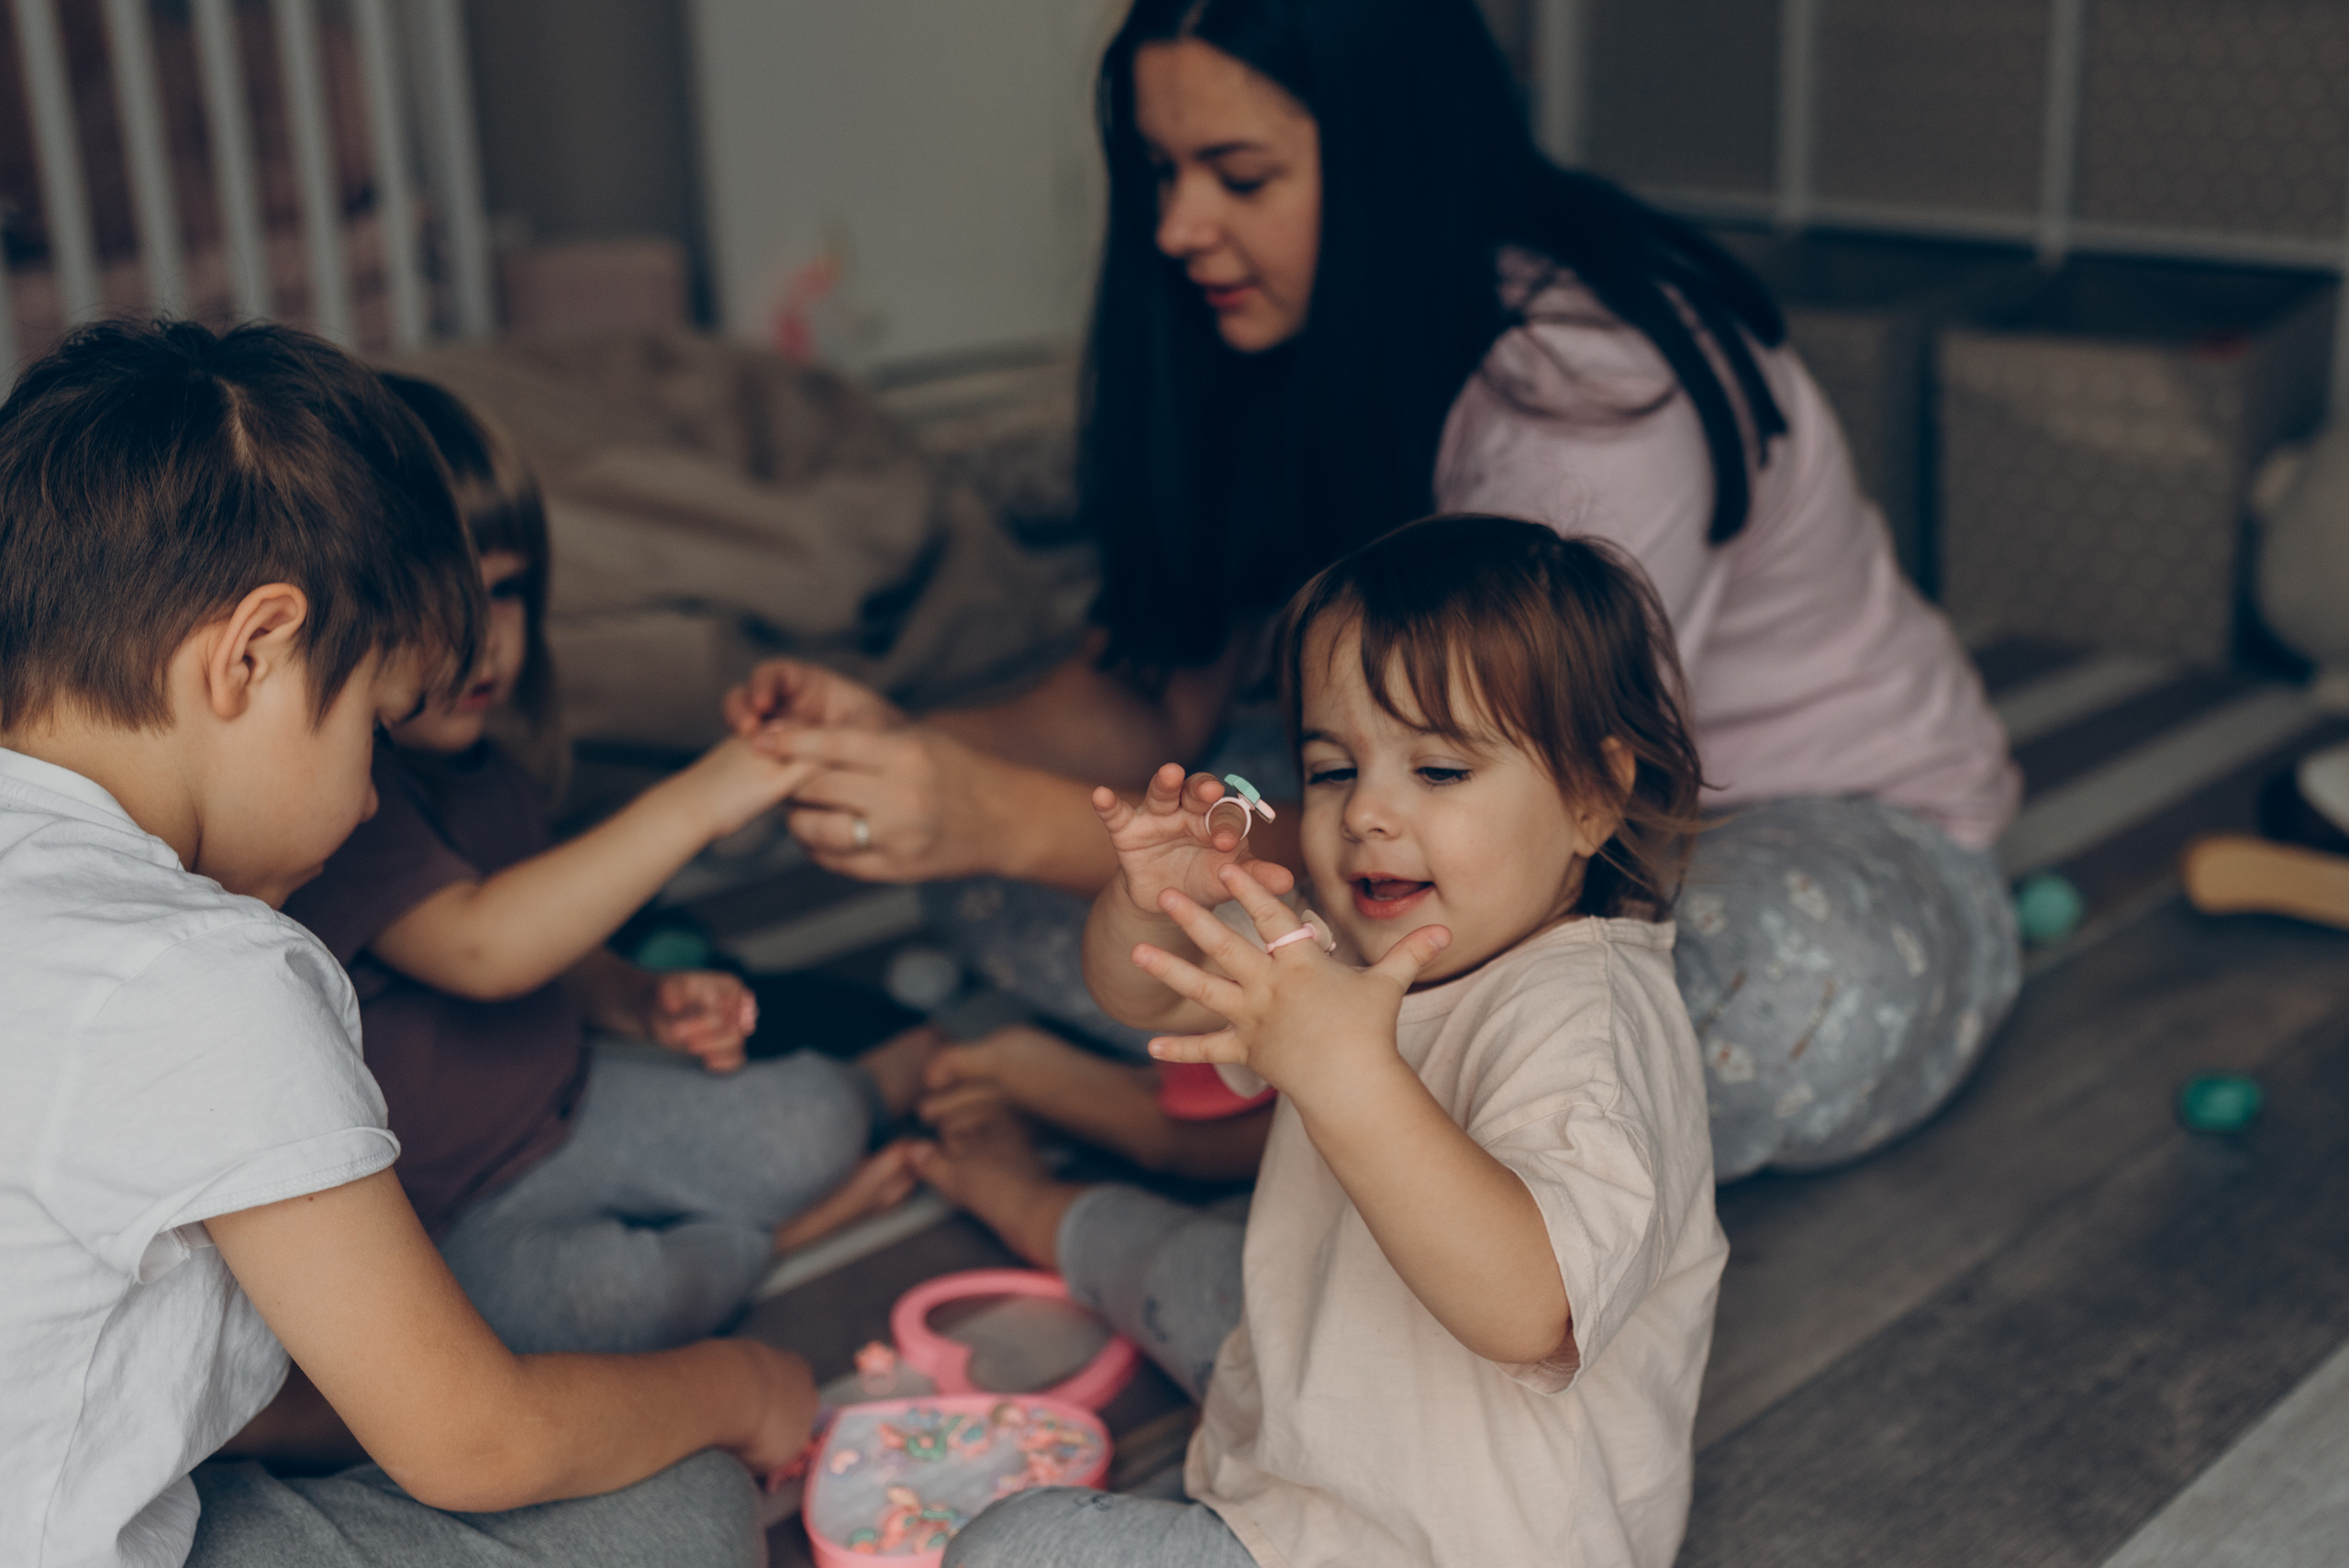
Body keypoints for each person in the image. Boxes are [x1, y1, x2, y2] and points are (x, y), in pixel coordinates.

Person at [729, 0, 2019, 1180]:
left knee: (1744, 996)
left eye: (1240, 177)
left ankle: (1216, 1127)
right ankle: (1318, 1106)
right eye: (1159, 175)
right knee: (1016, 874)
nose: (1179, 229)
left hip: (1742, 829)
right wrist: (899, 756)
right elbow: (1142, 702)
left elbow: (1514, 822)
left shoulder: (1589, 395)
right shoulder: (1262, 332)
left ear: (1396, 162)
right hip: (1424, 800)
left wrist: (1004, 816)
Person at [0, 320, 803, 1568]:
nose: (374, 796)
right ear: (254, 653)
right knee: (681, 1504)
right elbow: (478, 1444)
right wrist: (743, 1385)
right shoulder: (200, 973)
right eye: (374, 722)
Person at [919, 517, 1725, 1567]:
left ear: (1591, 795)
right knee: (1192, 1262)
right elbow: (1146, 1001)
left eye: (1437, 769)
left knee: (1012, 1546)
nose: (1366, 813)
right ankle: (1024, 1199)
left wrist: (1347, 1070)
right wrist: (1148, 903)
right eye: (1335, 769)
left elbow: (1533, 1308)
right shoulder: (1352, 934)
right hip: (1305, 1403)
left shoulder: (1591, 1022)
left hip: (1450, 1543)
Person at [278, 373, 939, 1360]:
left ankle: (829, 1147)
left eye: (503, 592)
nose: (481, 636)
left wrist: (639, 998)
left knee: (806, 1123)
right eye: (442, 597)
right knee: (601, 1303)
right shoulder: (344, 804)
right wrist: (703, 796)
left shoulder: (487, 769)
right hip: (451, 1214)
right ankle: (769, 1247)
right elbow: (485, 942)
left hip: (575, 1100)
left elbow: (549, 949)